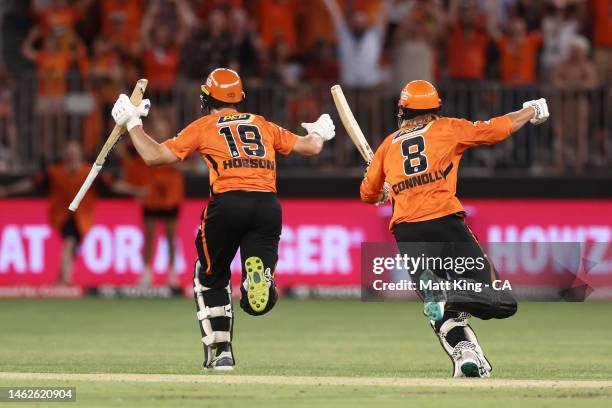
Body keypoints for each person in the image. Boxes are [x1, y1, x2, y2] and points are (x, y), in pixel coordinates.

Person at [110, 68, 335, 370]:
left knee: (210, 274)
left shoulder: (205, 126)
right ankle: (260, 280)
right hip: (267, 205)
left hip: (228, 203)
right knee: (259, 299)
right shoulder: (262, 124)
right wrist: (319, 130)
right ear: (239, 98)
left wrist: (133, 123)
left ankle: (221, 352)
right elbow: (310, 147)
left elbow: (154, 156)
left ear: (207, 97)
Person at [360, 80, 549, 378]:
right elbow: (496, 129)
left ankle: (465, 355)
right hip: (445, 224)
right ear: (436, 107)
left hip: (408, 232)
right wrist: (531, 110)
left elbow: (367, 194)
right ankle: (446, 296)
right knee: (501, 301)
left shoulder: (387, 145)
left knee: (442, 310)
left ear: (402, 110)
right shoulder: (447, 127)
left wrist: (383, 190)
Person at [0, 141, 138, 284]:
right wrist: (9, 191)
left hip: (82, 216)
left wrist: (134, 191)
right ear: (64, 155)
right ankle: (66, 277)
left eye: (74, 153)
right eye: (69, 153)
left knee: (73, 244)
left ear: (80, 154)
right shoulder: (54, 172)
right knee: (70, 241)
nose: (71, 156)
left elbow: (113, 185)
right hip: (62, 214)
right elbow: (31, 183)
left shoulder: (90, 172)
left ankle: (61, 276)